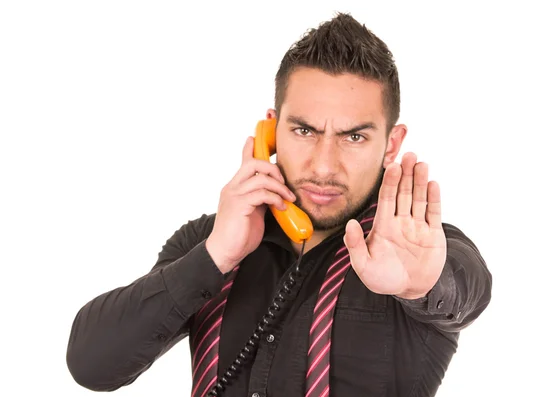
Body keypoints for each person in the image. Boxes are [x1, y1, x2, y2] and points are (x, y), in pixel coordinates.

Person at [66, 12, 492, 397]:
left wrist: (423, 286)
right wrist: (216, 257)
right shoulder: (210, 239)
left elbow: (466, 287)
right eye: (304, 131)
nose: (324, 166)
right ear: (271, 130)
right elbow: (92, 365)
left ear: (390, 144)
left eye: (354, 136)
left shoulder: (418, 247)